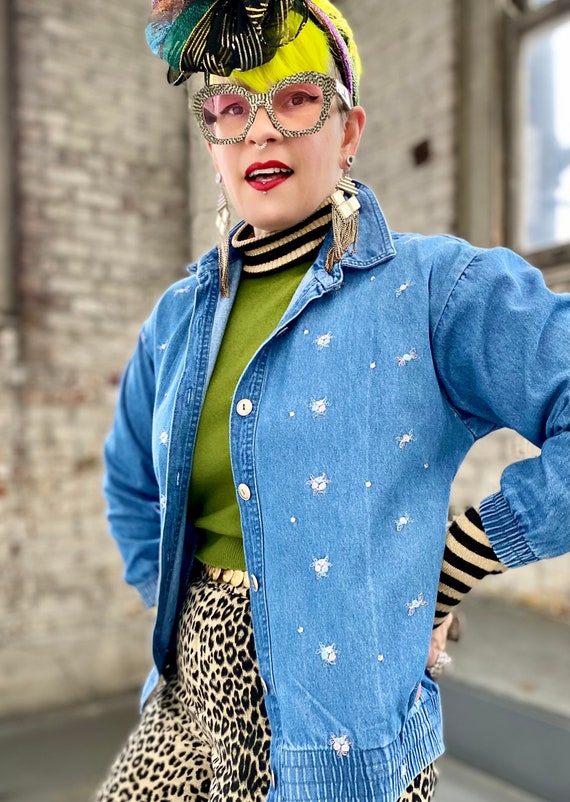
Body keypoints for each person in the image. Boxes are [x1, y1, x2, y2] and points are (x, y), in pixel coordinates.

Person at [95, 2, 569, 801]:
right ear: (211, 145)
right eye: (230, 107)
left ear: (349, 133)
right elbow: (129, 489)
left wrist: (450, 567)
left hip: (339, 742)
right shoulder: (177, 319)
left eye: (296, 98)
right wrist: (179, 607)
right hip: (182, 700)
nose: (260, 132)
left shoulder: (434, 290)